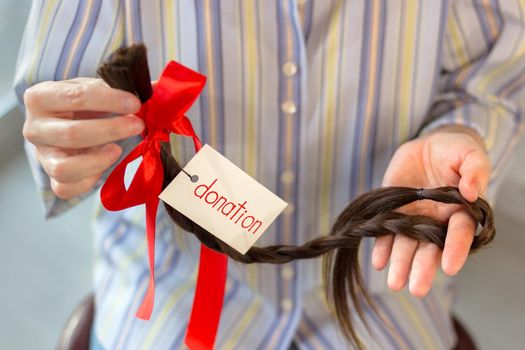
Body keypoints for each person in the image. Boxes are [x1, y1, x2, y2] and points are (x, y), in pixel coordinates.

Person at [15, 1, 524, 349]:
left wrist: (464, 131)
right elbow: (61, 110)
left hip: (386, 296)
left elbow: (493, 78)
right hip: (172, 297)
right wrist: (66, 144)